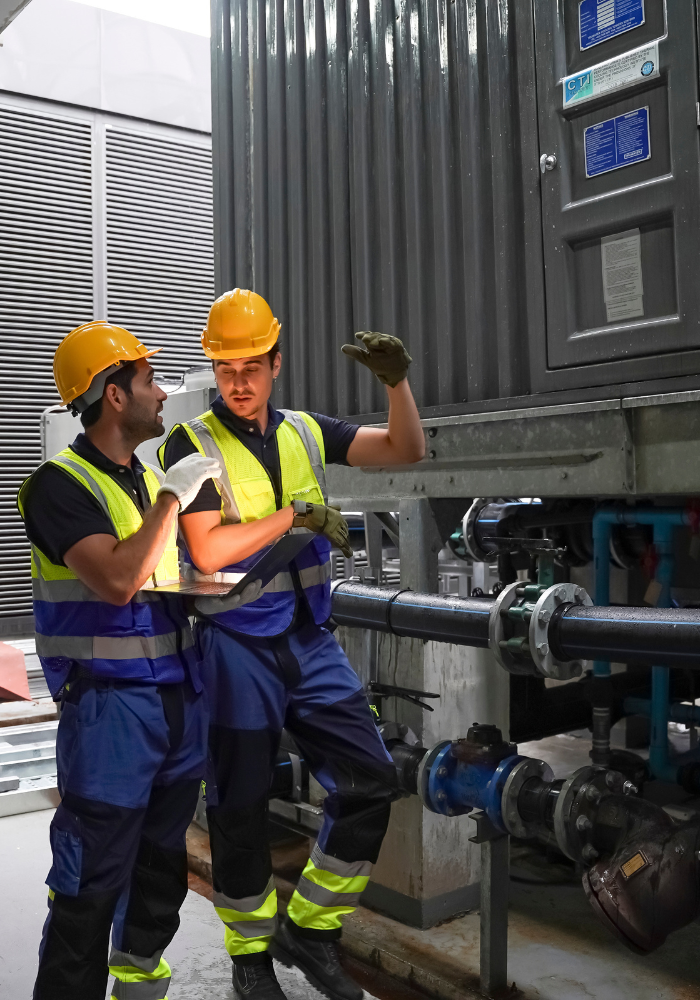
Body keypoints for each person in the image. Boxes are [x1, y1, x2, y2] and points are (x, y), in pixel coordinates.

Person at [159, 288, 425, 1000]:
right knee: (240, 807)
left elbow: (406, 447)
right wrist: (295, 515)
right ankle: (251, 957)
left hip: (309, 642)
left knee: (371, 779)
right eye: (225, 368)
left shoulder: (306, 432)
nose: (238, 382)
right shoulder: (191, 445)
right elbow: (208, 550)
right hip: (236, 644)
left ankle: (311, 930)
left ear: (276, 362)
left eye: (251, 365)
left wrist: (397, 384)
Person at [18, 321, 222, 1000]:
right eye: (148, 381)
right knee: (89, 886)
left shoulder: (149, 478)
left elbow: (159, 582)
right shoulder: (57, 486)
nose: (162, 394)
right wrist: (173, 500)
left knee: (162, 873)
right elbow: (114, 579)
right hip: (111, 713)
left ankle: (137, 989)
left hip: (176, 703)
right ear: (112, 395)